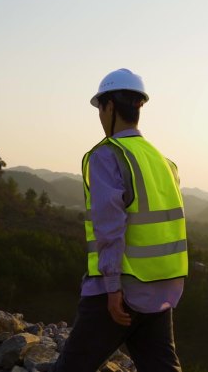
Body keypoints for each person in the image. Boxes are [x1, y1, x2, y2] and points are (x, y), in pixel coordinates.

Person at [53, 68, 187, 372]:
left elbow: (110, 226)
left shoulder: (107, 155)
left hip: (115, 294)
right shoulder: (164, 162)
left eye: (100, 108)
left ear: (110, 107)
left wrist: (113, 288)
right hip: (160, 290)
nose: (100, 117)